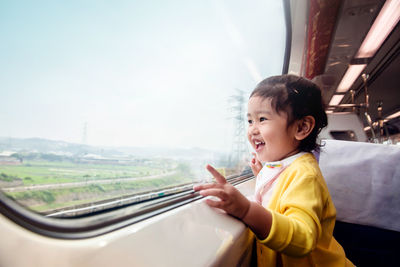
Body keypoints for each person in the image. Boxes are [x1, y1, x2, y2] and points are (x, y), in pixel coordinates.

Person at [193, 74, 354, 266]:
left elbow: (303, 239)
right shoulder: (284, 168)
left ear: (302, 127)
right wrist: (262, 176)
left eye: (262, 119)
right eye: (250, 121)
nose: (252, 130)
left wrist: (246, 210)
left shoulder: (305, 175)